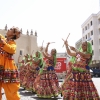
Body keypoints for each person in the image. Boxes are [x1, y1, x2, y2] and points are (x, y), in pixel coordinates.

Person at [0, 27, 21, 100]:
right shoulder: (3, 39)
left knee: (11, 89)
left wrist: (3, 43)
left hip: (8, 69)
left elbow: (11, 50)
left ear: (14, 34)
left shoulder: (12, 43)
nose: (8, 29)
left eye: (11, 29)